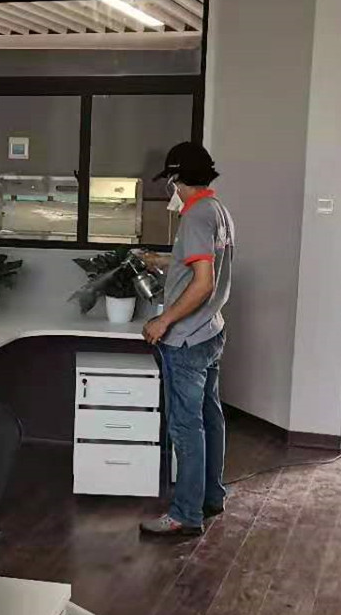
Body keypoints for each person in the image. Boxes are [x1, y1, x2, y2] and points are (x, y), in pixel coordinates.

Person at [138, 142, 235, 537]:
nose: (171, 189)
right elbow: (203, 263)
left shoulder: (195, 216)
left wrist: (163, 321)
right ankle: (211, 497)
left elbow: (203, 283)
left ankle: (185, 514)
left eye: (171, 181)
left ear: (178, 179)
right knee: (210, 418)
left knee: (185, 427)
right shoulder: (217, 210)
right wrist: (163, 261)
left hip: (186, 340)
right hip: (211, 331)